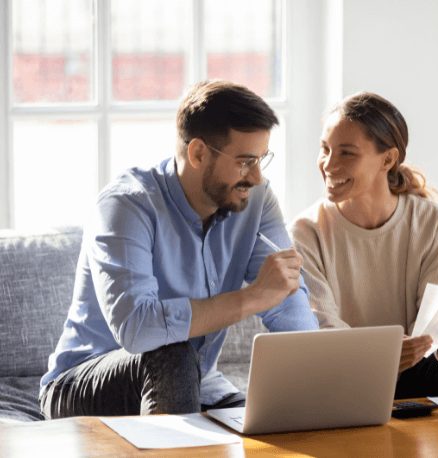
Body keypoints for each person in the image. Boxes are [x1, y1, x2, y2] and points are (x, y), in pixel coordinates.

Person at [39, 80, 318, 419]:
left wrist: (315, 378)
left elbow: (287, 297)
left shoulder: (255, 199)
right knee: (172, 353)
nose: (257, 177)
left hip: (197, 383)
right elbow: (137, 329)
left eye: (262, 159)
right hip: (82, 383)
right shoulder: (126, 206)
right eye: (245, 161)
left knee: (274, 424)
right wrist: (252, 297)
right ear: (198, 153)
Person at [290, 92, 438, 398]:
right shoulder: (306, 231)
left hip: (418, 367)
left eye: (346, 153)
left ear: (388, 159)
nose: (328, 164)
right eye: (325, 149)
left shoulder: (434, 221)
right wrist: (383, 355)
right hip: (345, 372)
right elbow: (322, 329)